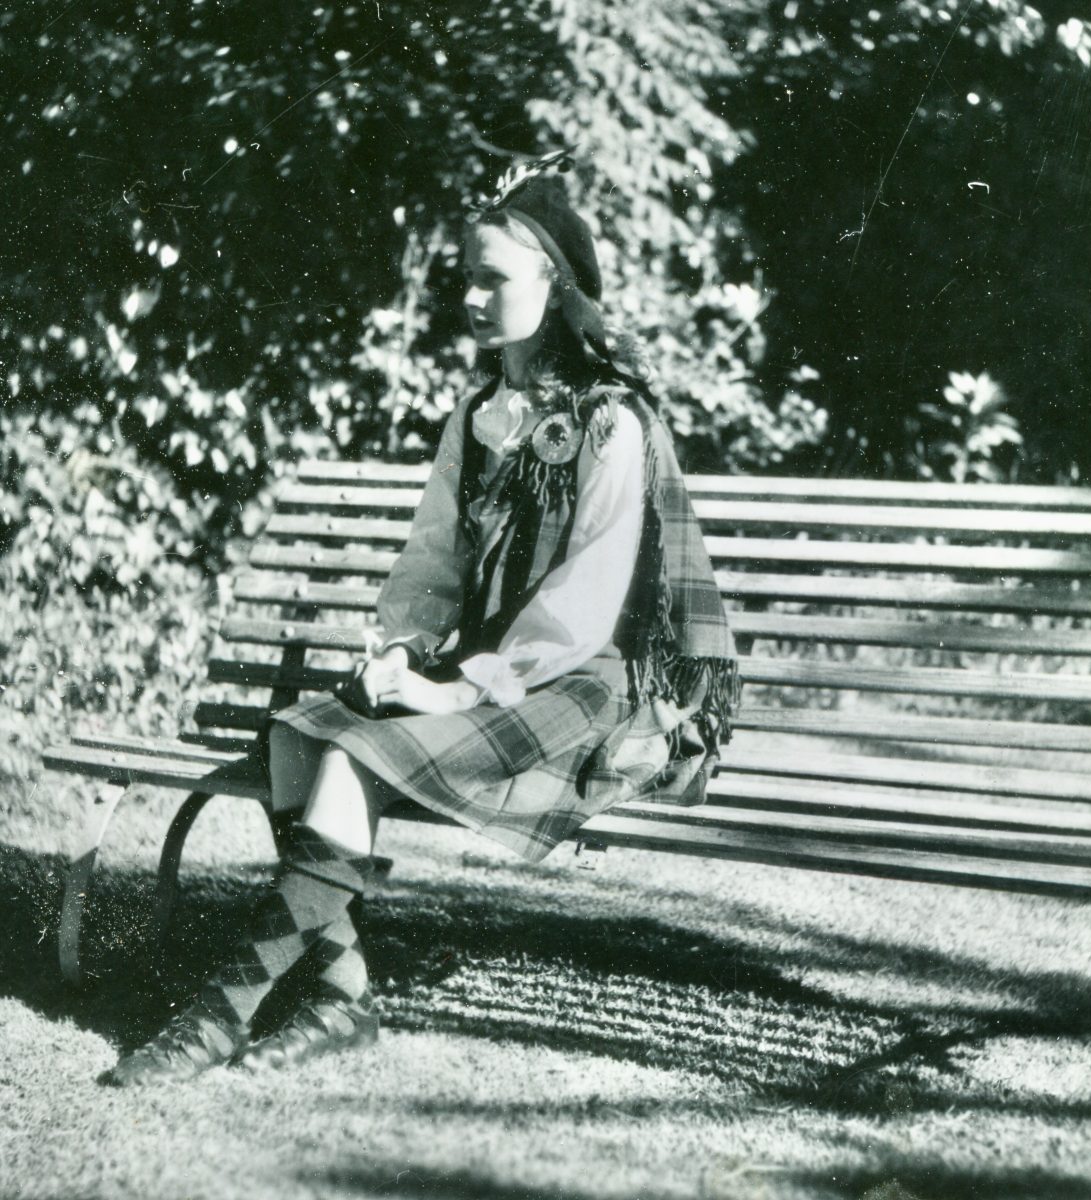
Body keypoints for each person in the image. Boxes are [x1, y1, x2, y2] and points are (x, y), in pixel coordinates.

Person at [108, 150, 739, 1086]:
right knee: (299, 737)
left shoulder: (614, 425)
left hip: (578, 686)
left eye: (495, 278)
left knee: (354, 752)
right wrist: (400, 651)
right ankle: (339, 1000)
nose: (474, 297)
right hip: (484, 671)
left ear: (557, 286)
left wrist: (454, 681)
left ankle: (217, 1015)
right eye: (466, 278)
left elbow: (582, 607)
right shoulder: (479, 413)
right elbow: (432, 561)